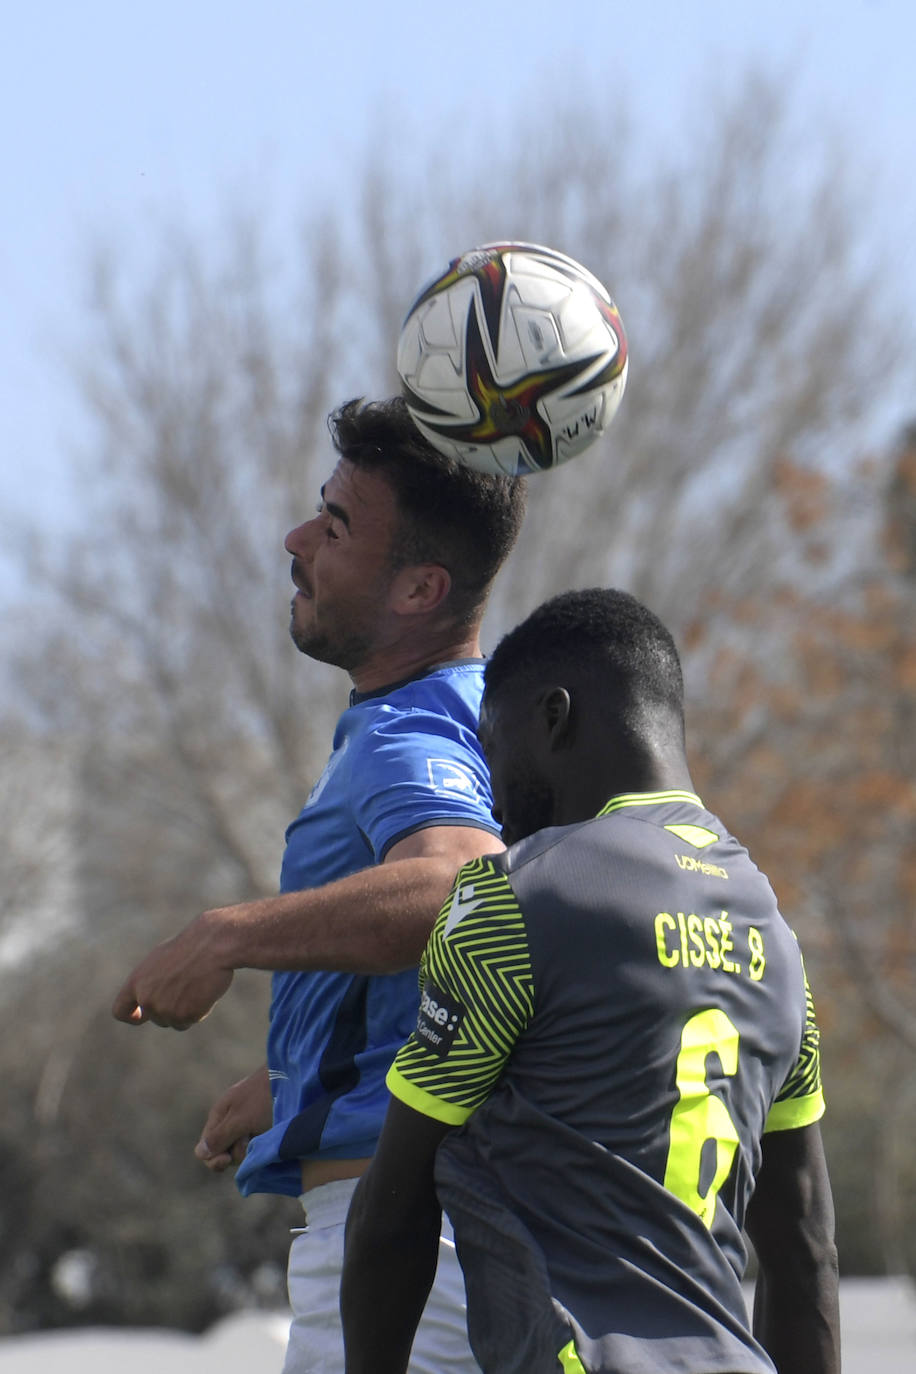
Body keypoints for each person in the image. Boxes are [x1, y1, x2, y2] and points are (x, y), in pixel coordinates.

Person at [112, 395, 526, 1372]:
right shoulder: (492, 717)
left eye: (335, 526)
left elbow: (457, 884)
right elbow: (508, 950)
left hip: (408, 1256)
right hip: (458, 1238)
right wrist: (310, 1068)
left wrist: (227, 935)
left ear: (419, 589)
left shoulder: (407, 733)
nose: (296, 540)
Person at [341, 587, 840, 1374]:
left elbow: (390, 1214)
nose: (493, 802)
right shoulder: (776, 941)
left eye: (493, 751)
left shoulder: (511, 898)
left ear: (553, 718)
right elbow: (804, 1246)